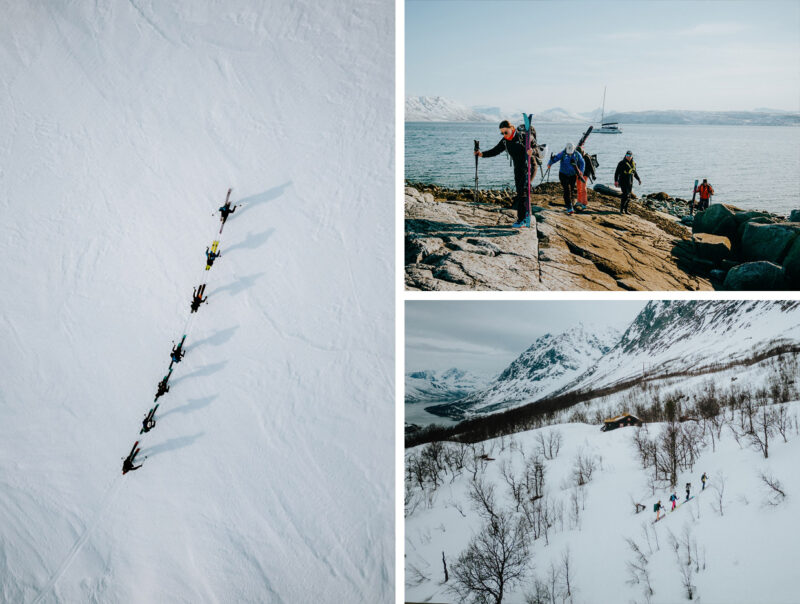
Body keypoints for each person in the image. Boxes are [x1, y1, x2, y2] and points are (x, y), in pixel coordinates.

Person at [474, 119, 538, 227]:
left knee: (522, 192)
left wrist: (533, 151)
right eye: (502, 133)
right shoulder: (505, 141)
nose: (504, 134)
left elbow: (537, 147)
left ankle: (521, 219)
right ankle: (527, 216)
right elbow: (495, 150)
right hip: (518, 169)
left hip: (530, 167)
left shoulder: (523, 137)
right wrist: (481, 154)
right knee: (521, 192)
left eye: (506, 132)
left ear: (512, 128)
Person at [547, 143, 585, 215]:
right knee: (566, 189)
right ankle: (569, 206)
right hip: (563, 174)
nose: (570, 154)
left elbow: (582, 162)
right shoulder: (563, 153)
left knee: (572, 189)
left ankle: (572, 203)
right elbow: (555, 158)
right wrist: (549, 164)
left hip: (572, 175)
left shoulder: (577, 154)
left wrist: (581, 172)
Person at [575, 145, 596, 210]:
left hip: (585, 174)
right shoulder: (576, 156)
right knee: (578, 187)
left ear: (582, 152)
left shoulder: (586, 157)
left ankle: (584, 203)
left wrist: (593, 175)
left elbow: (591, 166)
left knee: (583, 188)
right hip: (578, 174)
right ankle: (579, 201)